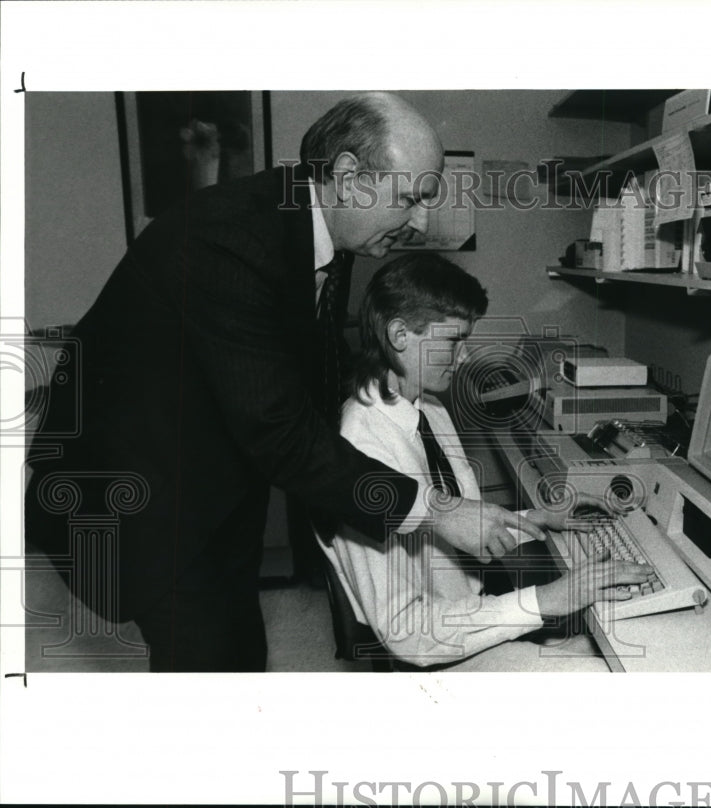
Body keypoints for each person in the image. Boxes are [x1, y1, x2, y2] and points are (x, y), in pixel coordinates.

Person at [23, 92, 543, 672]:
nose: (420, 221)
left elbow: (310, 364)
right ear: (349, 178)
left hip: (213, 470)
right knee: (210, 666)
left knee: (242, 653)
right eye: (410, 198)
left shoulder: (325, 229)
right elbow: (280, 431)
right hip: (140, 497)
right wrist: (439, 511)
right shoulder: (229, 242)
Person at [317, 253, 654, 668]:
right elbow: (408, 635)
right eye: (454, 340)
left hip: (467, 612)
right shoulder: (361, 452)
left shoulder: (429, 409)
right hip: (430, 652)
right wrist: (549, 599)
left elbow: (453, 526)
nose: (463, 357)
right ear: (401, 335)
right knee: (615, 670)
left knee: (606, 649)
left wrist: (536, 517)